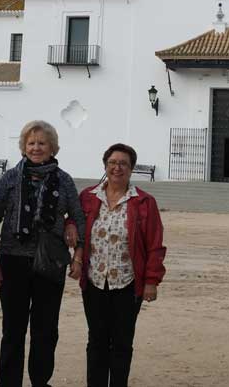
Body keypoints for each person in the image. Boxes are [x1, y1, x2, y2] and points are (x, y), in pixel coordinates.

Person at [0, 120, 85, 387]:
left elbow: (78, 216)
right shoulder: (10, 178)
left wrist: (77, 255)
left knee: (46, 329)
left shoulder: (63, 180)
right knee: (13, 329)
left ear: (52, 147)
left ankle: (40, 381)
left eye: (42, 143)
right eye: (31, 143)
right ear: (23, 147)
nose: (36, 148)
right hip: (13, 260)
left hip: (51, 262)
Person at [75, 143, 166, 387]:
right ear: (105, 165)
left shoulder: (144, 202)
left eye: (123, 163)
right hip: (94, 282)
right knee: (97, 341)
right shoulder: (88, 197)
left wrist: (151, 281)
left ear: (132, 168)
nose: (117, 168)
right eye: (112, 163)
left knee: (122, 343)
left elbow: (155, 244)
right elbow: (74, 226)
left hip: (127, 284)